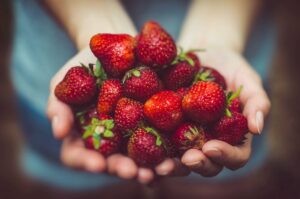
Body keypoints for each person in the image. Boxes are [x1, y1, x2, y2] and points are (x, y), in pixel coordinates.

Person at [11, 0, 272, 190]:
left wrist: (219, 36)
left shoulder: (180, 95)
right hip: (53, 52)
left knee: (214, 189)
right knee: (82, 189)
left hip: (236, 29)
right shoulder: (126, 93)